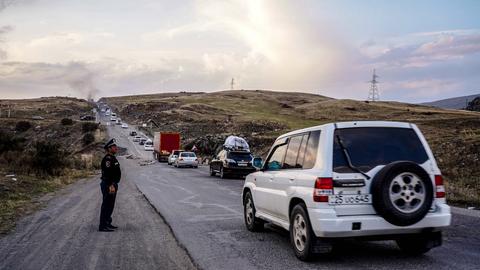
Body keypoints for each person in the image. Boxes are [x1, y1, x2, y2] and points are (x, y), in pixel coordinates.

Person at [99, 138, 121, 232]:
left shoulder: (112, 158)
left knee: (110, 205)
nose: (116, 148)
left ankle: (108, 222)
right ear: (109, 148)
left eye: (115, 146)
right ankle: (102, 226)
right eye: (113, 146)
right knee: (106, 205)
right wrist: (111, 185)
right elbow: (107, 174)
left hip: (112, 184)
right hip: (108, 185)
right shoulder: (108, 159)